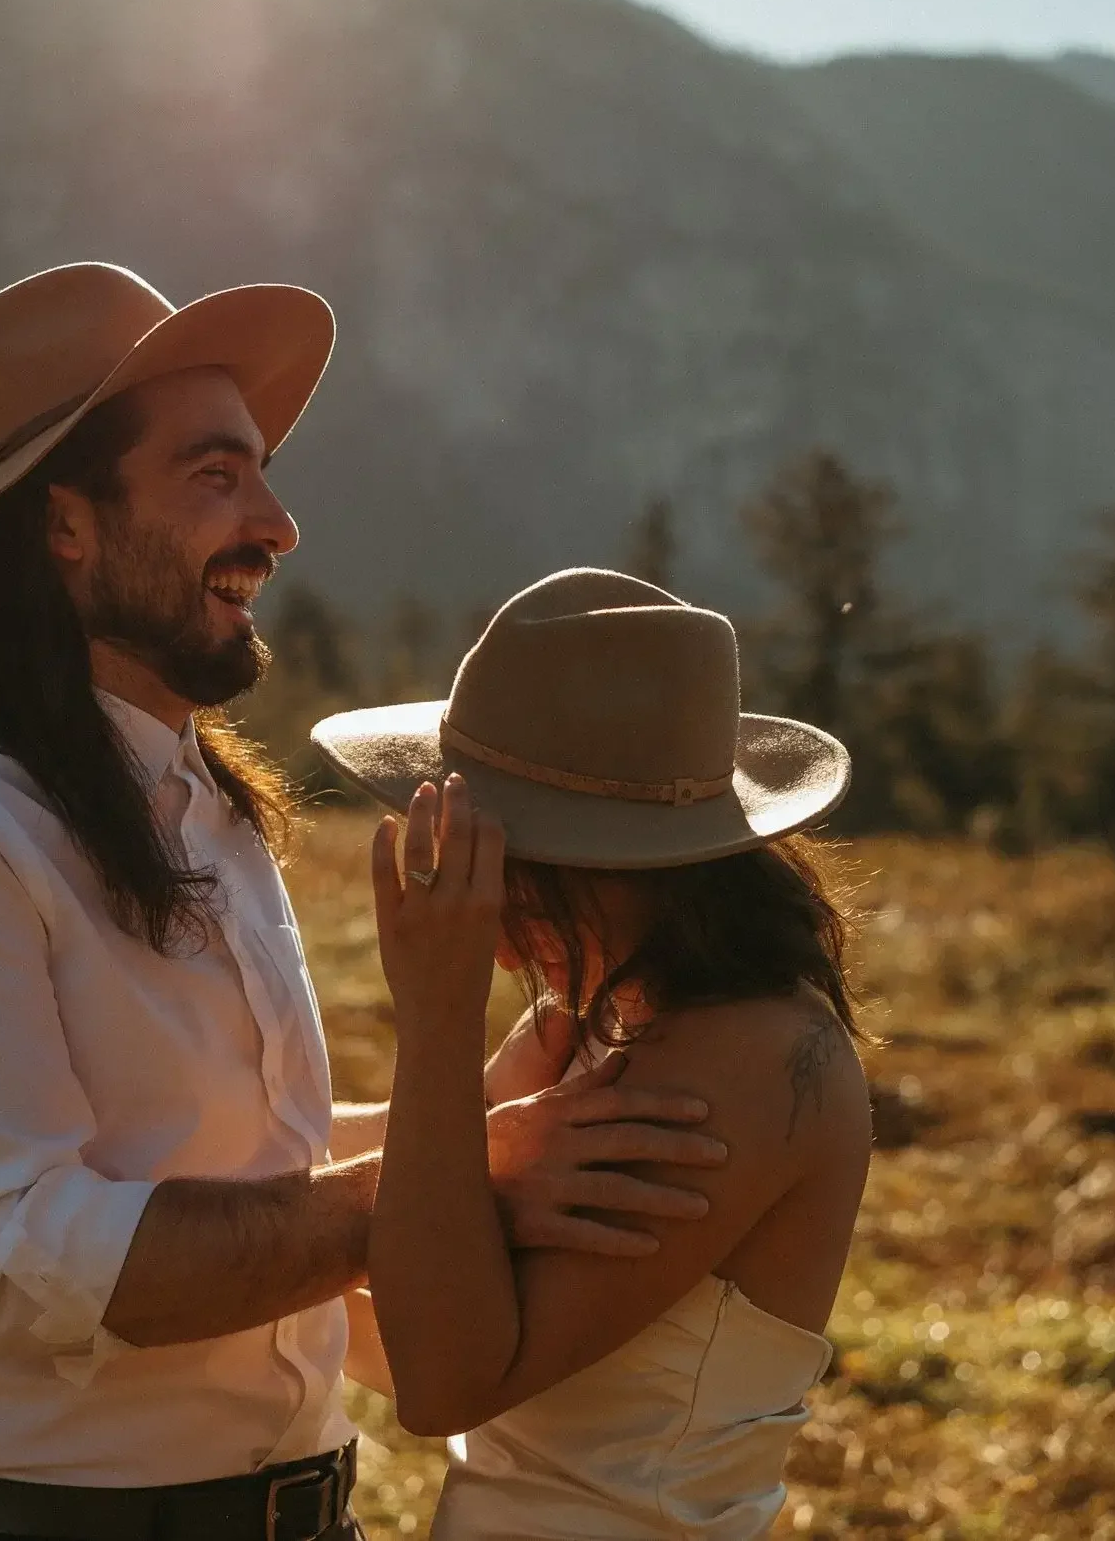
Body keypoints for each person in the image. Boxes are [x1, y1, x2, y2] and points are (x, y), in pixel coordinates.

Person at [0, 266, 731, 1541]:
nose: (278, 526)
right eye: (215, 476)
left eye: (264, 472)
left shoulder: (201, 801)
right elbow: (26, 1257)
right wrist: (448, 1184)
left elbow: (226, 1152)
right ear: (64, 526)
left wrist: (463, 1114)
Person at [312, 567, 874, 1541]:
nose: (475, 904)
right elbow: (425, 1262)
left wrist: (438, 1017)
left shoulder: (755, 1061)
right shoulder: (584, 1019)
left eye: (497, 857)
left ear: (594, 860)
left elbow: (445, 1373)